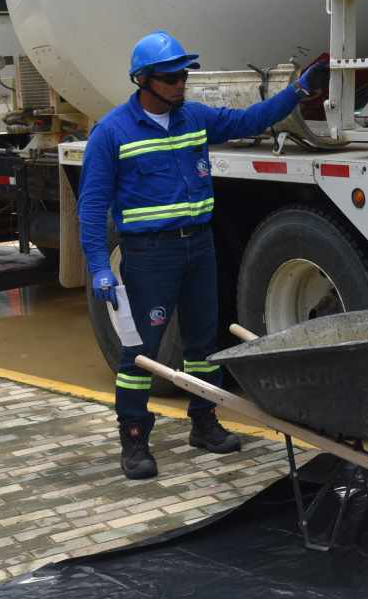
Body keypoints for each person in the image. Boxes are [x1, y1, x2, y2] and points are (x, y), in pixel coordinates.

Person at [80, 32, 327, 480]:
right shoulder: (112, 132)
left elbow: (251, 120)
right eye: (172, 77)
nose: (182, 84)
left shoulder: (193, 117)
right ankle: (134, 439)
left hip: (198, 247)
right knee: (140, 352)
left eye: (184, 75)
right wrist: (99, 266)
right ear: (144, 80)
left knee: (202, 344)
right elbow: (92, 207)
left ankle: (204, 422)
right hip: (150, 255)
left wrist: (297, 92)